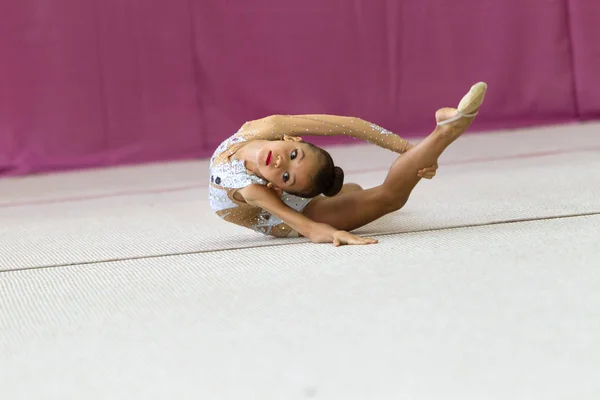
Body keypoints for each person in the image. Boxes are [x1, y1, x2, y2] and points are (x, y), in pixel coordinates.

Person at [209, 82, 487, 246]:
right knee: (387, 199)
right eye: (285, 176)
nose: (282, 161)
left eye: (294, 156)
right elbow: (309, 228)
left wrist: (409, 149)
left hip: (300, 194)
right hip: (276, 218)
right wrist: (336, 234)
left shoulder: (267, 127)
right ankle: (445, 132)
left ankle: (440, 134)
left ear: (292, 138)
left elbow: (350, 125)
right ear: (275, 188)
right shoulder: (252, 189)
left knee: (351, 191)